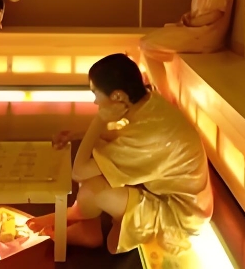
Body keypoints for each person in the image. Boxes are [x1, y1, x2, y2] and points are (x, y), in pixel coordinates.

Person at [27, 54, 213, 255]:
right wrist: (77, 134)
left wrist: (99, 120)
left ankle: (79, 223)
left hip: (178, 218)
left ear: (117, 96)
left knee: (93, 187)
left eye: (95, 93)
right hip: (164, 194)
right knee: (97, 157)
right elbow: (122, 138)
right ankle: (83, 224)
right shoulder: (150, 102)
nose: (95, 102)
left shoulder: (148, 135)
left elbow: (78, 172)